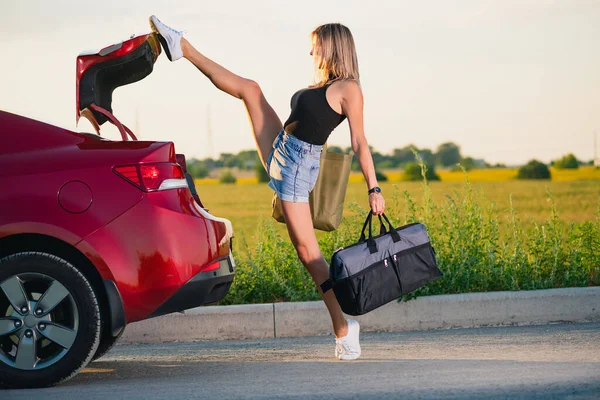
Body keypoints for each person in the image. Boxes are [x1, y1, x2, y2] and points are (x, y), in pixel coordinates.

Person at [149, 15, 385, 360]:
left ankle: (344, 327)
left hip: (297, 166)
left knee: (309, 254)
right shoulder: (320, 85)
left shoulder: (350, 89)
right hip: (282, 150)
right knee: (251, 89)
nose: (311, 52)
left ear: (333, 46)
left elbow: (360, 143)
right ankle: (181, 47)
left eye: (316, 45)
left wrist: (374, 188)